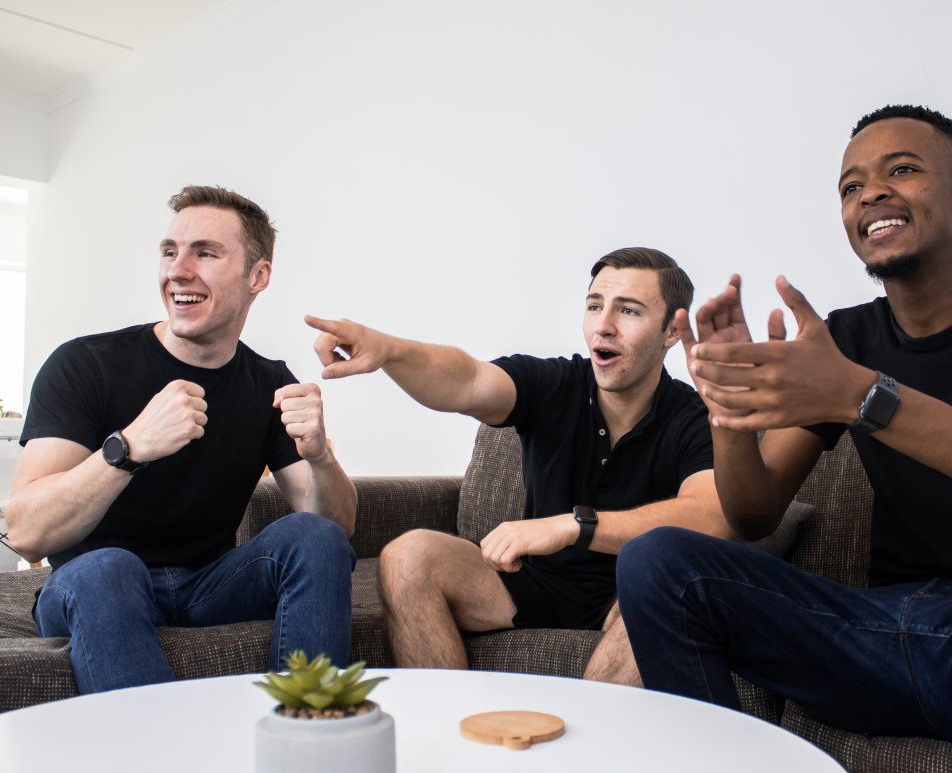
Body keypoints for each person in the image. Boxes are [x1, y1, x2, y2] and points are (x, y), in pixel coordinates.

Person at [617, 105, 952, 773]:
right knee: (660, 563)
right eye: (851, 186)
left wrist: (865, 396)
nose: (871, 195)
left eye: (902, 170)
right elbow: (754, 511)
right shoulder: (848, 339)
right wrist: (730, 415)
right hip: (893, 640)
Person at [306, 247, 729, 684]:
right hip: (535, 584)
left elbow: (711, 515)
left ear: (672, 330)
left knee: (659, 591)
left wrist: (575, 525)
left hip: (630, 593)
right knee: (408, 556)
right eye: (594, 305)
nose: (604, 325)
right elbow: (467, 380)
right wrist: (391, 351)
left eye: (629, 311)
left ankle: (591, 750)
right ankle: (449, 740)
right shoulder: (557, 384)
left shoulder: (694, 418)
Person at [8, 186, 359, 694]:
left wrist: (321, 456)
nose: (178, 270)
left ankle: (305, 731)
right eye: (170, 251)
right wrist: (127, 449)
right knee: (109, 567)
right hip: (92, 587)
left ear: (257, 276)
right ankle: (153, 762)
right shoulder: (85, 364)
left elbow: (336, 527)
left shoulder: (270, 383)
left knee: (315, 538)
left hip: (207, 585)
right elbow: (25, 531)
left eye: (206, 253)